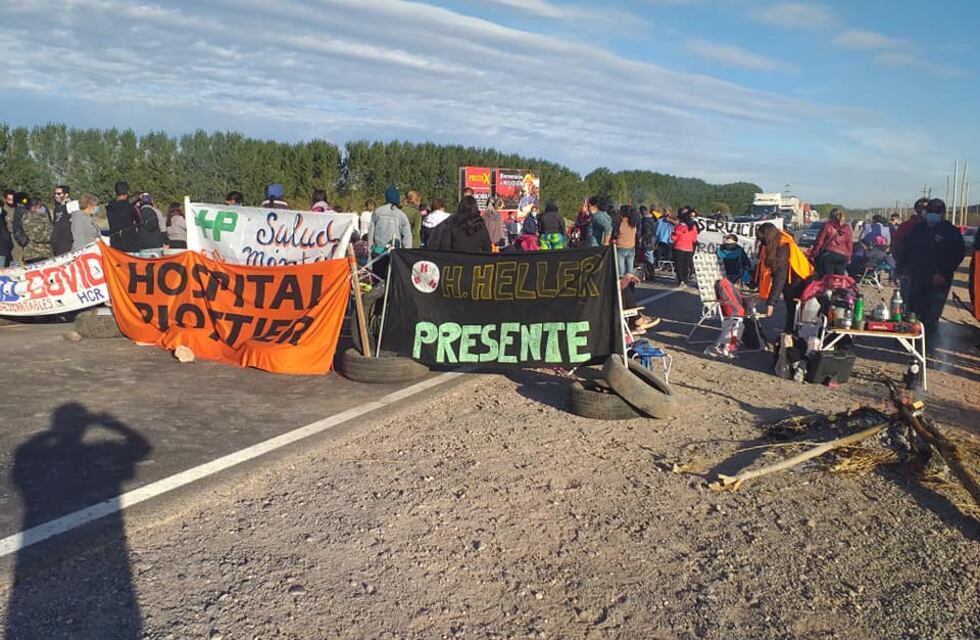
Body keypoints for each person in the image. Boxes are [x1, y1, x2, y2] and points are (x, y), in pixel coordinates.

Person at [903, 199, 965, 343]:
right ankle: (912, 342)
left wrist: (943, 273)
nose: (932, 214)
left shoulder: (950, 231)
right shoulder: (918, 229)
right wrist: (903, 268)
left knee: (931, 314)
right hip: (918, 276)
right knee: (913, 310)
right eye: (930, 211)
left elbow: (957, 254)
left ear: (943, 213)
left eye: (936, 212)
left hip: (939, 279)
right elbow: (907, 249)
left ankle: (928, 345)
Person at [756, 222, 814, 332]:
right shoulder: (775, 243)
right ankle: (790, 333)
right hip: (791, 279)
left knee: (794, 310)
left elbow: (780, 277)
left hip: (801, 278)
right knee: (791, 310)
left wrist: (771, 303)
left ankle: (792, 335)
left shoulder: (783, 247)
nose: (762, 244)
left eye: (763, 241)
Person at [368, 185, 412, 279]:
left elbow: (371, 234)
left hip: (378, 250)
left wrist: (370, 251)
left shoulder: (377, 212)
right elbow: (407, 238)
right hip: (395, 252)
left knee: (378, 278)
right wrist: (406, 255)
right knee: (392, 279)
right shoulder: (401, 215)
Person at [808, 208, 852, 276]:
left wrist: (813, 254)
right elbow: (850, 244)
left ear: (830, 216)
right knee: (839, 278)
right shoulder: (847, 228)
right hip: (843, 257)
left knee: (828, 278)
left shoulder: (828, 226)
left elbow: (820, 241)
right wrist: (849, 258)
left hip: (830, 255)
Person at [106, 181, 139, 252]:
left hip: (115, 244)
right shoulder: (130, 207)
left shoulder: (109, 207)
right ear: (127, 192)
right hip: (130, 245)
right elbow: (139, 220)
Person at [19, 198, 54, 264]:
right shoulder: (30, 218)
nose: (42, 207)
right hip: (36, 253)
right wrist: (53, 236)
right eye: (40, 206)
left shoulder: (42, 216)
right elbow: (36, 236)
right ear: (33, 207)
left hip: (45, 252)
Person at [671, 211, 698, 285]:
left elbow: (673, 238)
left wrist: (673, 235)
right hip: (689, 248)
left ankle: (680, 280)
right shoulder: (693, 227)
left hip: (679, 247)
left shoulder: (679, 226)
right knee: (685, 265)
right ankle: (685, 279)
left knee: (679, 264)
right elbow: (694, 239)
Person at [614, 205, 639, 275]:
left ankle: (622, 283)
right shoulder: (633, 223)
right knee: (630, 269)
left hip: (621, 247)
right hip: (631, 247)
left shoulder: (620, 223)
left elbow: (616, 234)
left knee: (621, 270)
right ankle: (630, 282)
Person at [51, 185, 73, 256]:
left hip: (66, 243)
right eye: (55, 194)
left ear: (66, 195)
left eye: (59, 193)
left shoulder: (71, 206)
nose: (56, 196)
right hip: (57, 243)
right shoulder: (57, 208)